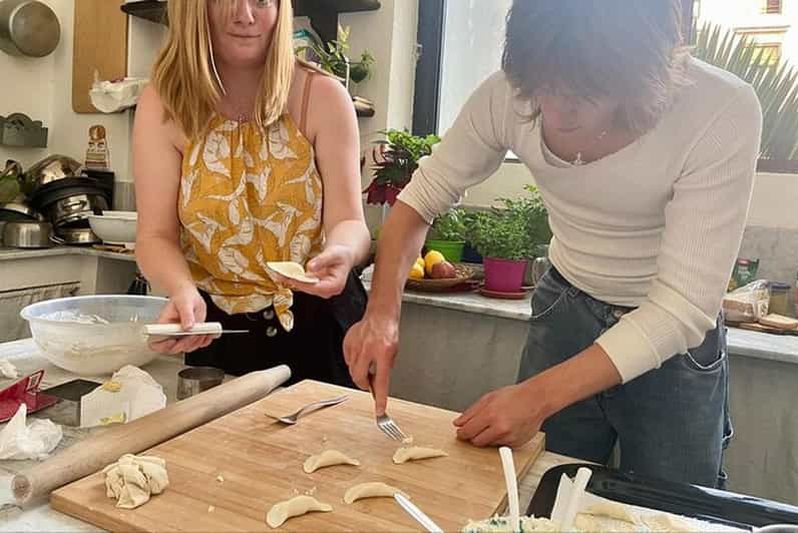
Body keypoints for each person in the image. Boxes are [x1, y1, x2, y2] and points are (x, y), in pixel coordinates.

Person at [344, 0, 762, 488]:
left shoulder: (720, 109)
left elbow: (682, 307)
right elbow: (420, 199)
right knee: (538, 489)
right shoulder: (509, 93)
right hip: (566, 311)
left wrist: (537, 397)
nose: (556, 111)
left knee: (673, 505)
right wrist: (381, 315)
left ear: (644, 74)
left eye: (584, 94)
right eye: (543, 86)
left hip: (674, 341)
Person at [133, 0, 370, 386]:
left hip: (320, 327)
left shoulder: (322, 96)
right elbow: (155, 236)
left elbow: (349, 222)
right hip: (218, 331)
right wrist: (181, 289)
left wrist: (341, 252)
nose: (245, 15)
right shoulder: (164, 104)